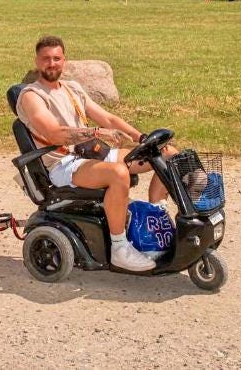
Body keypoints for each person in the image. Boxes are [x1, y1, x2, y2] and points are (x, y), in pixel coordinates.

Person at [16, 36, 179, 272]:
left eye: (56, 58)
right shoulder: (32, 96)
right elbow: (54, 134)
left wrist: (142, 138)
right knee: (118, 174)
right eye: (46, 59)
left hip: (90, 156)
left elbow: (109, 118)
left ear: (64, 61)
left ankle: (156, 217)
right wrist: (95, 131)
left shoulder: (72, 89)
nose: (51, 63)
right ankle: (120, 248)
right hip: (63, 165)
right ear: (37, 61)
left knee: (166, 155)